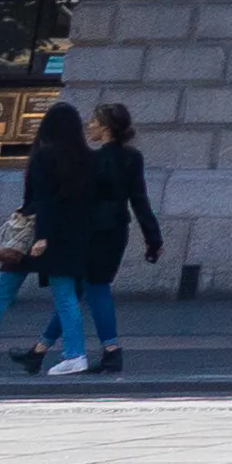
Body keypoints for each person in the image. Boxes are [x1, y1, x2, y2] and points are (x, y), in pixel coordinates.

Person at [0, 95, 106, 378]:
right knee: (65, 296)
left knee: (1, 295)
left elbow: (42, 200)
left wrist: (41, 236)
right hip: (70, 237)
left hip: (35, 235)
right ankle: (75, 354)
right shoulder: (87, 159)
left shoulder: (44, 155)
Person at [62, 102, 163, 375]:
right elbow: (140, 200)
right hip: (117, 228)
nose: (89, 126)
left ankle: (111, 349)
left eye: (94, 121)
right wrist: (152, 237)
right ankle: (41, 346)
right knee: (88, 287)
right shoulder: (133, 157)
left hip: (92, 230)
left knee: (89, 289)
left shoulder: (90, 160)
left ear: (105, 127)